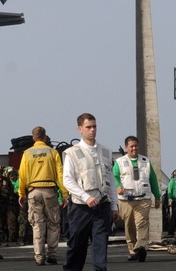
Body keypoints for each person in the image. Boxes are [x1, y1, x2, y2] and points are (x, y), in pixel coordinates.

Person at [62, 113, 119, 271]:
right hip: (81, 208)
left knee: (101, 245)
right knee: (76, 246)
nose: (92, 130)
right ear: (80, 129)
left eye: (94, 126)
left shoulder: (106, 152)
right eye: (88, 127)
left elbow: (111, 181)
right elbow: (67, 180)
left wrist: (114, 206)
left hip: (102, 207)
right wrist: (85, 197)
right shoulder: (72, 153)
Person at [18, 126, 66, 266]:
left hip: (34, 192)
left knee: (37, 224)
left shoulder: (27, 153)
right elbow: (60, 174)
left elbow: (22, 175)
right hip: (50, 191)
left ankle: (39, 257)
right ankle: (52, 254)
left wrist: (21, 193)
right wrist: (64, 193)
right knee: (53, 223)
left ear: (33, 138)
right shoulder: (52, 152)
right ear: (45, 137)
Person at [113, 135, 160, 262]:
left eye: (136, 146)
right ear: (126, 147)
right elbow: (114, 177)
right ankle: (132, 250)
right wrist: (118, 186)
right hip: (126, 199)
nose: (134, 148)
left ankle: (141, 247)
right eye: (131, 146)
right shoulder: (119, 162)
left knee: (142, 223)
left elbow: (153, 180)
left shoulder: (146, 161)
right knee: (130, 226)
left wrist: (158, 197)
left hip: (143, 198)